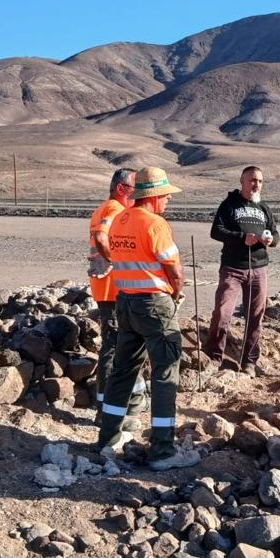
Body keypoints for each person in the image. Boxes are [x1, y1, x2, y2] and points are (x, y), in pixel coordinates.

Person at [97, 167, 199, 471]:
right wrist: (176, 293)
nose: (168, 199)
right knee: (165, 373)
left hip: (125, 302)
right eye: (165, 194)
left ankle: (107, 438)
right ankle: (163, 452)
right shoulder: (155, 224)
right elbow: (174, 270)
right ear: (153, 195)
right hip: (154, 304)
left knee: (123, 370)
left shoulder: (120, 220)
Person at [205, 166, 280, 376]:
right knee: (222, 312)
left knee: (255, 316)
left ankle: (249, 361)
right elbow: (216, 231)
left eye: (260, 181)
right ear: (242, 181)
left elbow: (275, 233)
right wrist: (241, 237)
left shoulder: (264, 208)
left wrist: (271, 240)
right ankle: (214, 357)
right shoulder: (229, 205)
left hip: (259, 268)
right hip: (232, 268)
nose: (256, 184)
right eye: (252, 180)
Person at [87, 169, 148, 424]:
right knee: (113, 346)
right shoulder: (114, 210)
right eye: (135, 188)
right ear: (123, 188)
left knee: (115, 345)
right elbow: (102, 236)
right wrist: (116, 258)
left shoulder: (104, 207)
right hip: (113, 288)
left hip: (107, 288)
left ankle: (118, 403)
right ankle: (106, 409)